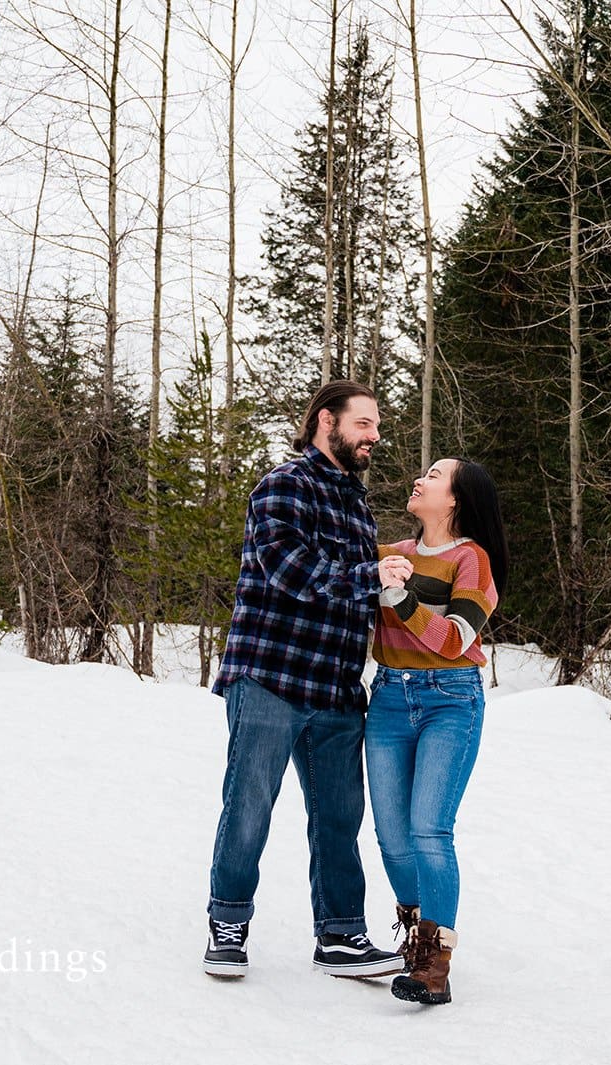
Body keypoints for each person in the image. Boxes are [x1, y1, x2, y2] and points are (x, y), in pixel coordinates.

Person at [202, 381, 408, 979]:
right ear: (327, 422)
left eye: (376, 426)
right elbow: (292, 570)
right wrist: (369, 575)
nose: (375, 436)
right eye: (364, 424)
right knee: (249, 808)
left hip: (338, 688)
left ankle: (341, 936)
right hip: (270, 676)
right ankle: (228, 925)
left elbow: (354, 589)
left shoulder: (356, 501)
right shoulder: (283, 486)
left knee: (341, 818)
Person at [365, 457, 508, 1005]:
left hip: (449, 698)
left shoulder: (472, 560)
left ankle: (433, 963)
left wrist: (401, 598)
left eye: (433, 475)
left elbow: (452, 639)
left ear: (454, 499)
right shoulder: (391, 555)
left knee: (428, 830)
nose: (419, 478)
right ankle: (413, 932)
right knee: (392, 837)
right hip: (388, 698)